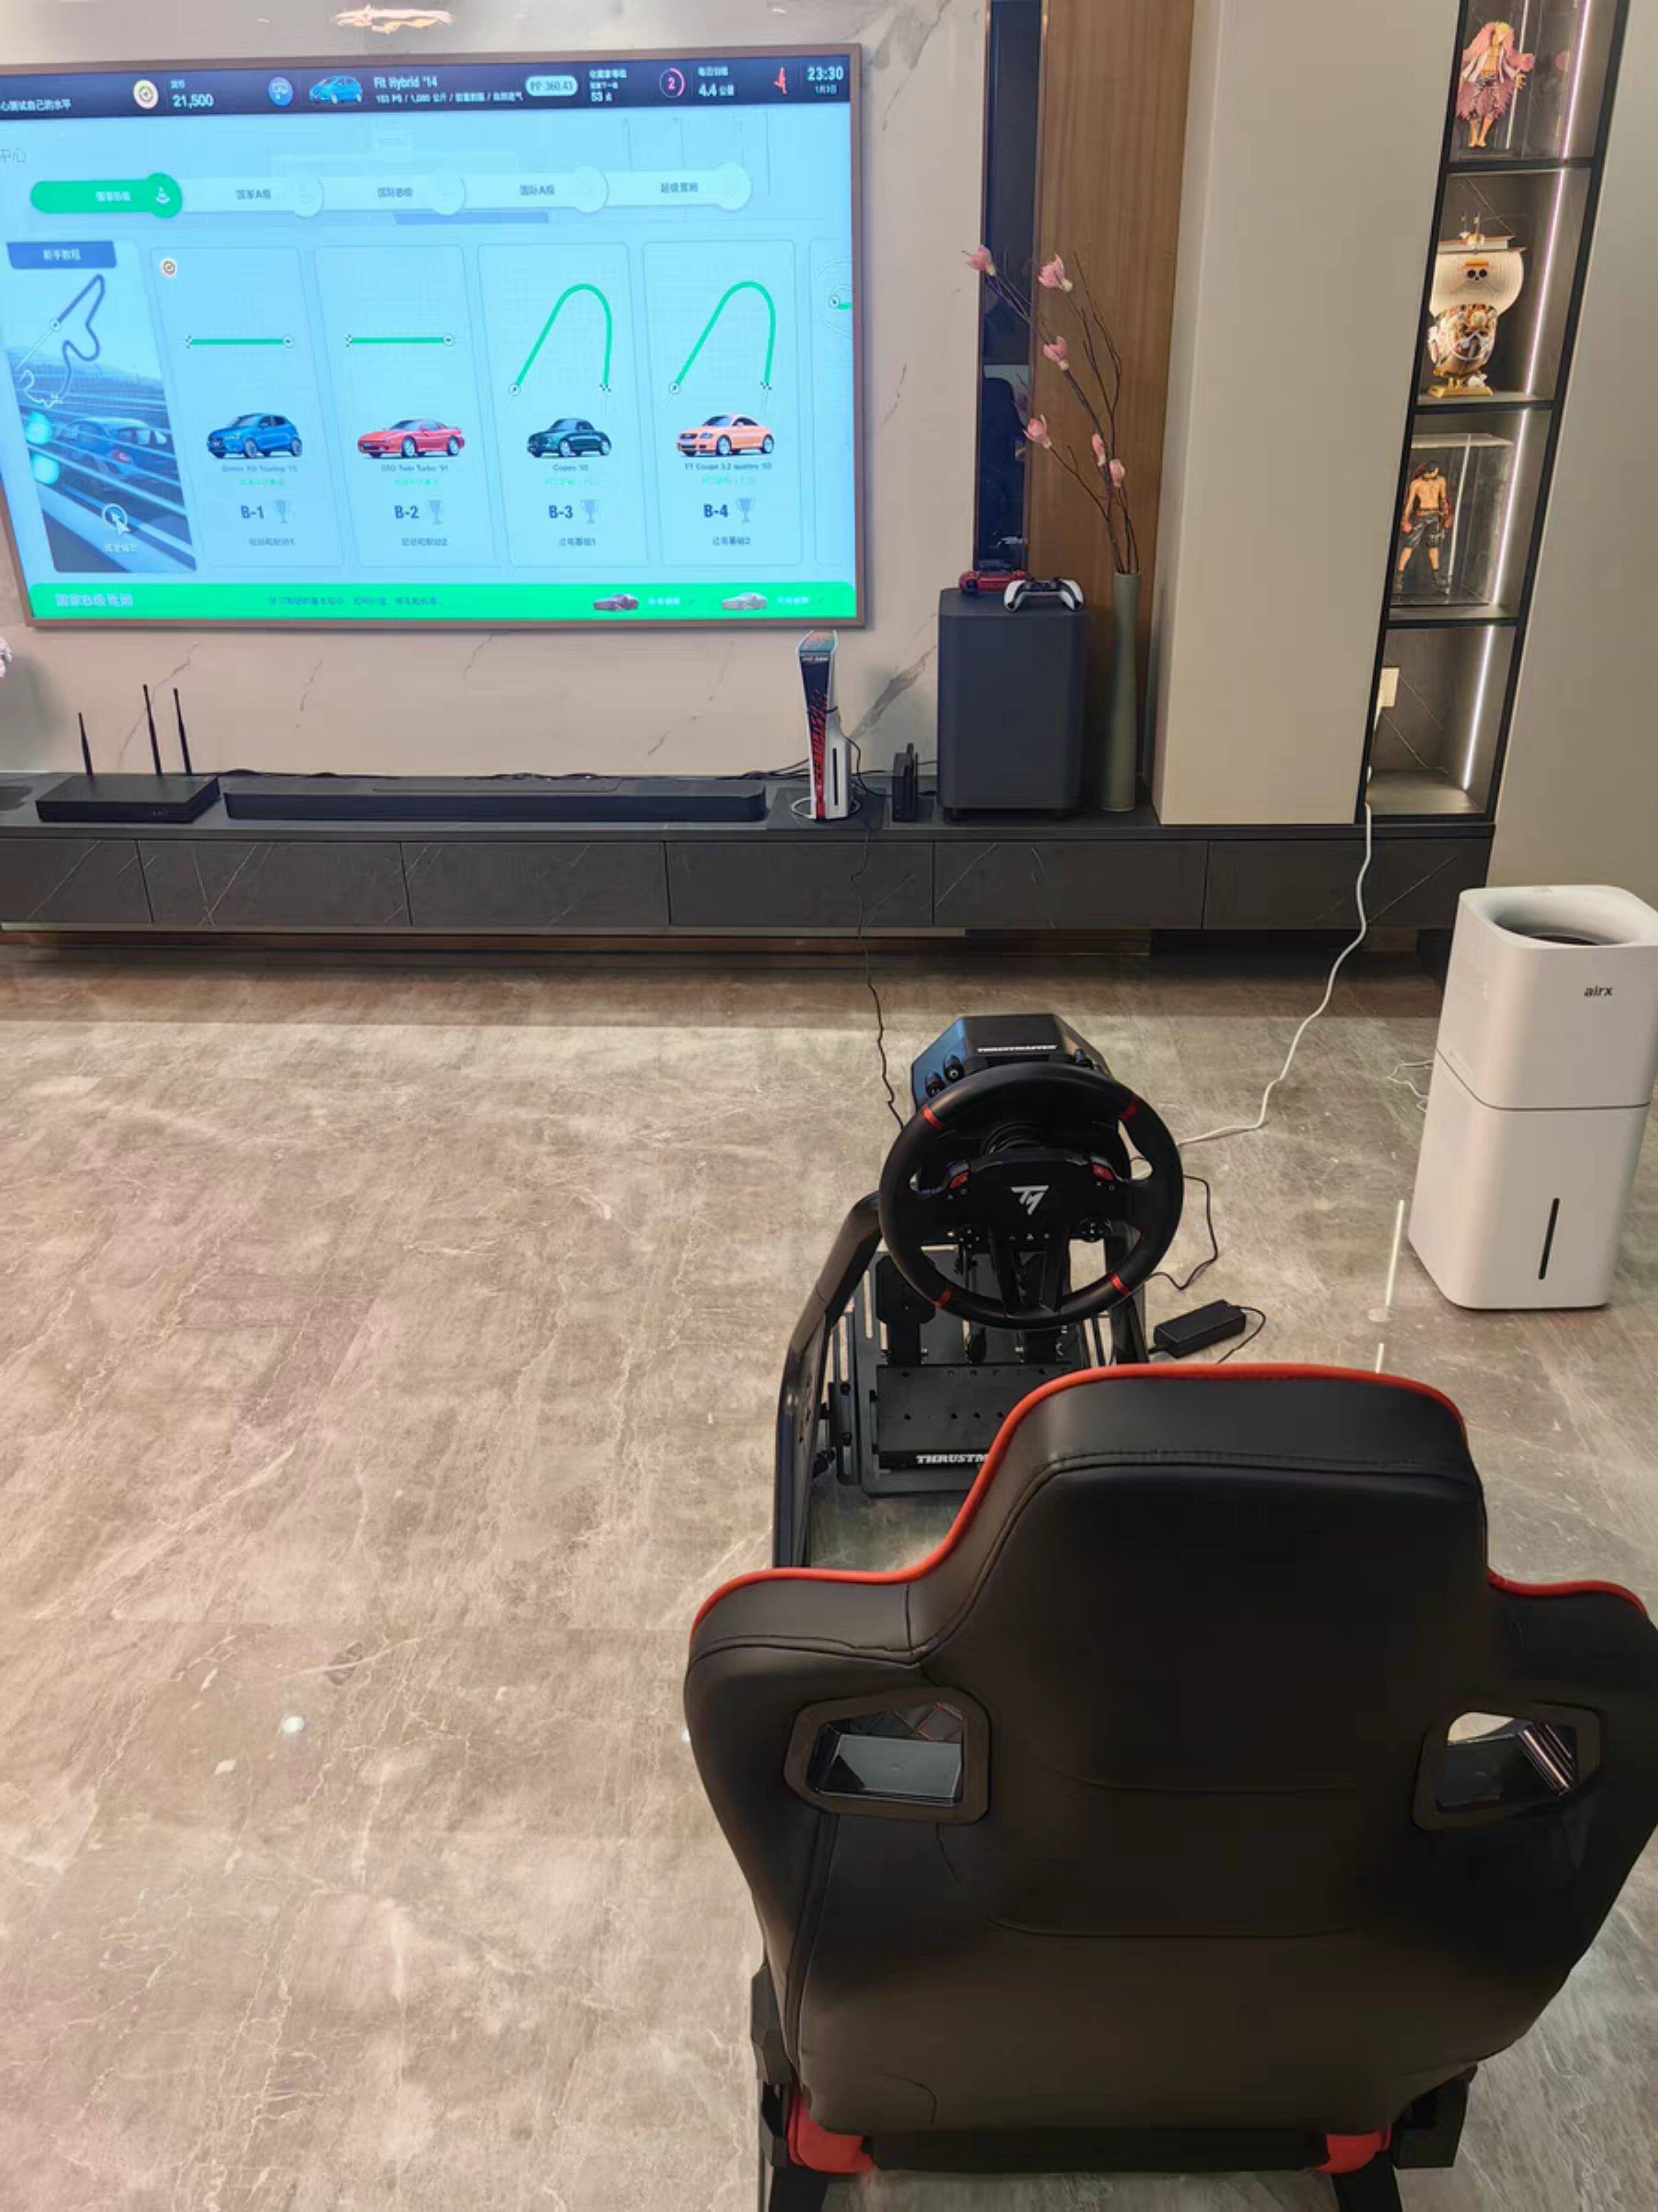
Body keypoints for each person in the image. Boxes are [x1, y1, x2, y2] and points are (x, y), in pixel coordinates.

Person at [1457, 21, 1536, 150]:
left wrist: (1515, 75)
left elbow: (1504, 66)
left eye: (1504, 35)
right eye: (1501, 33)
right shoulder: (1483, 49)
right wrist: (1462, 78)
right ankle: (1474, 136)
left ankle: (1481, 137)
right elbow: (1472, 65)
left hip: (1493, 78)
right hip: (1480, 78)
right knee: (1472, 107)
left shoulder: (1502, 51)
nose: (1501, 37)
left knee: (1495, 108)